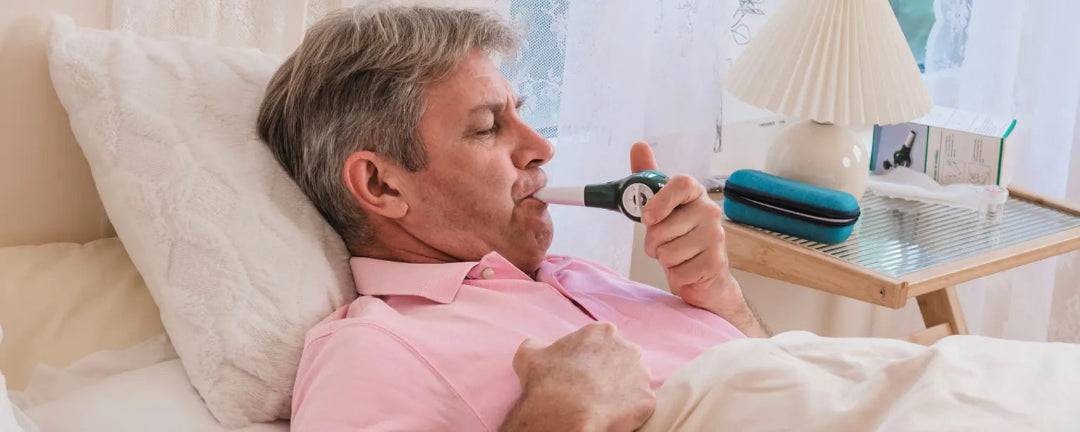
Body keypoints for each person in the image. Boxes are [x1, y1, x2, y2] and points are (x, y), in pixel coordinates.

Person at [257, 4, 768, 431]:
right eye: (486, 129)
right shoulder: (370, 353)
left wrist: (721, 296)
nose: (541, 147)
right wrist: (550, 420)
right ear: (381, 185)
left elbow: (786, 378)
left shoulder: (579, 277)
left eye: (523, 114)